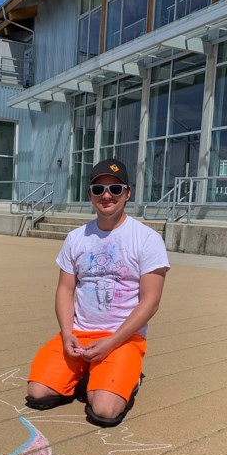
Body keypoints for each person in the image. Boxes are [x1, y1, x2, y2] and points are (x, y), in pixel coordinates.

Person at [25, 158, 170, 427]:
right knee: (38, 393)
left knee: (104, 410)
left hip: (122, 338)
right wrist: (67, 333)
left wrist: (111, 342)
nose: (106, 195)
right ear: (90, 194)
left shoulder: (147, 239)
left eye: (115, 189)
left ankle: (129, 376)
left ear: (127, 194)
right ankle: (88, 372)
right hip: (79, 334)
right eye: (98, 189)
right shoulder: (77, 237)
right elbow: (65, 290)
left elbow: (151, 303)